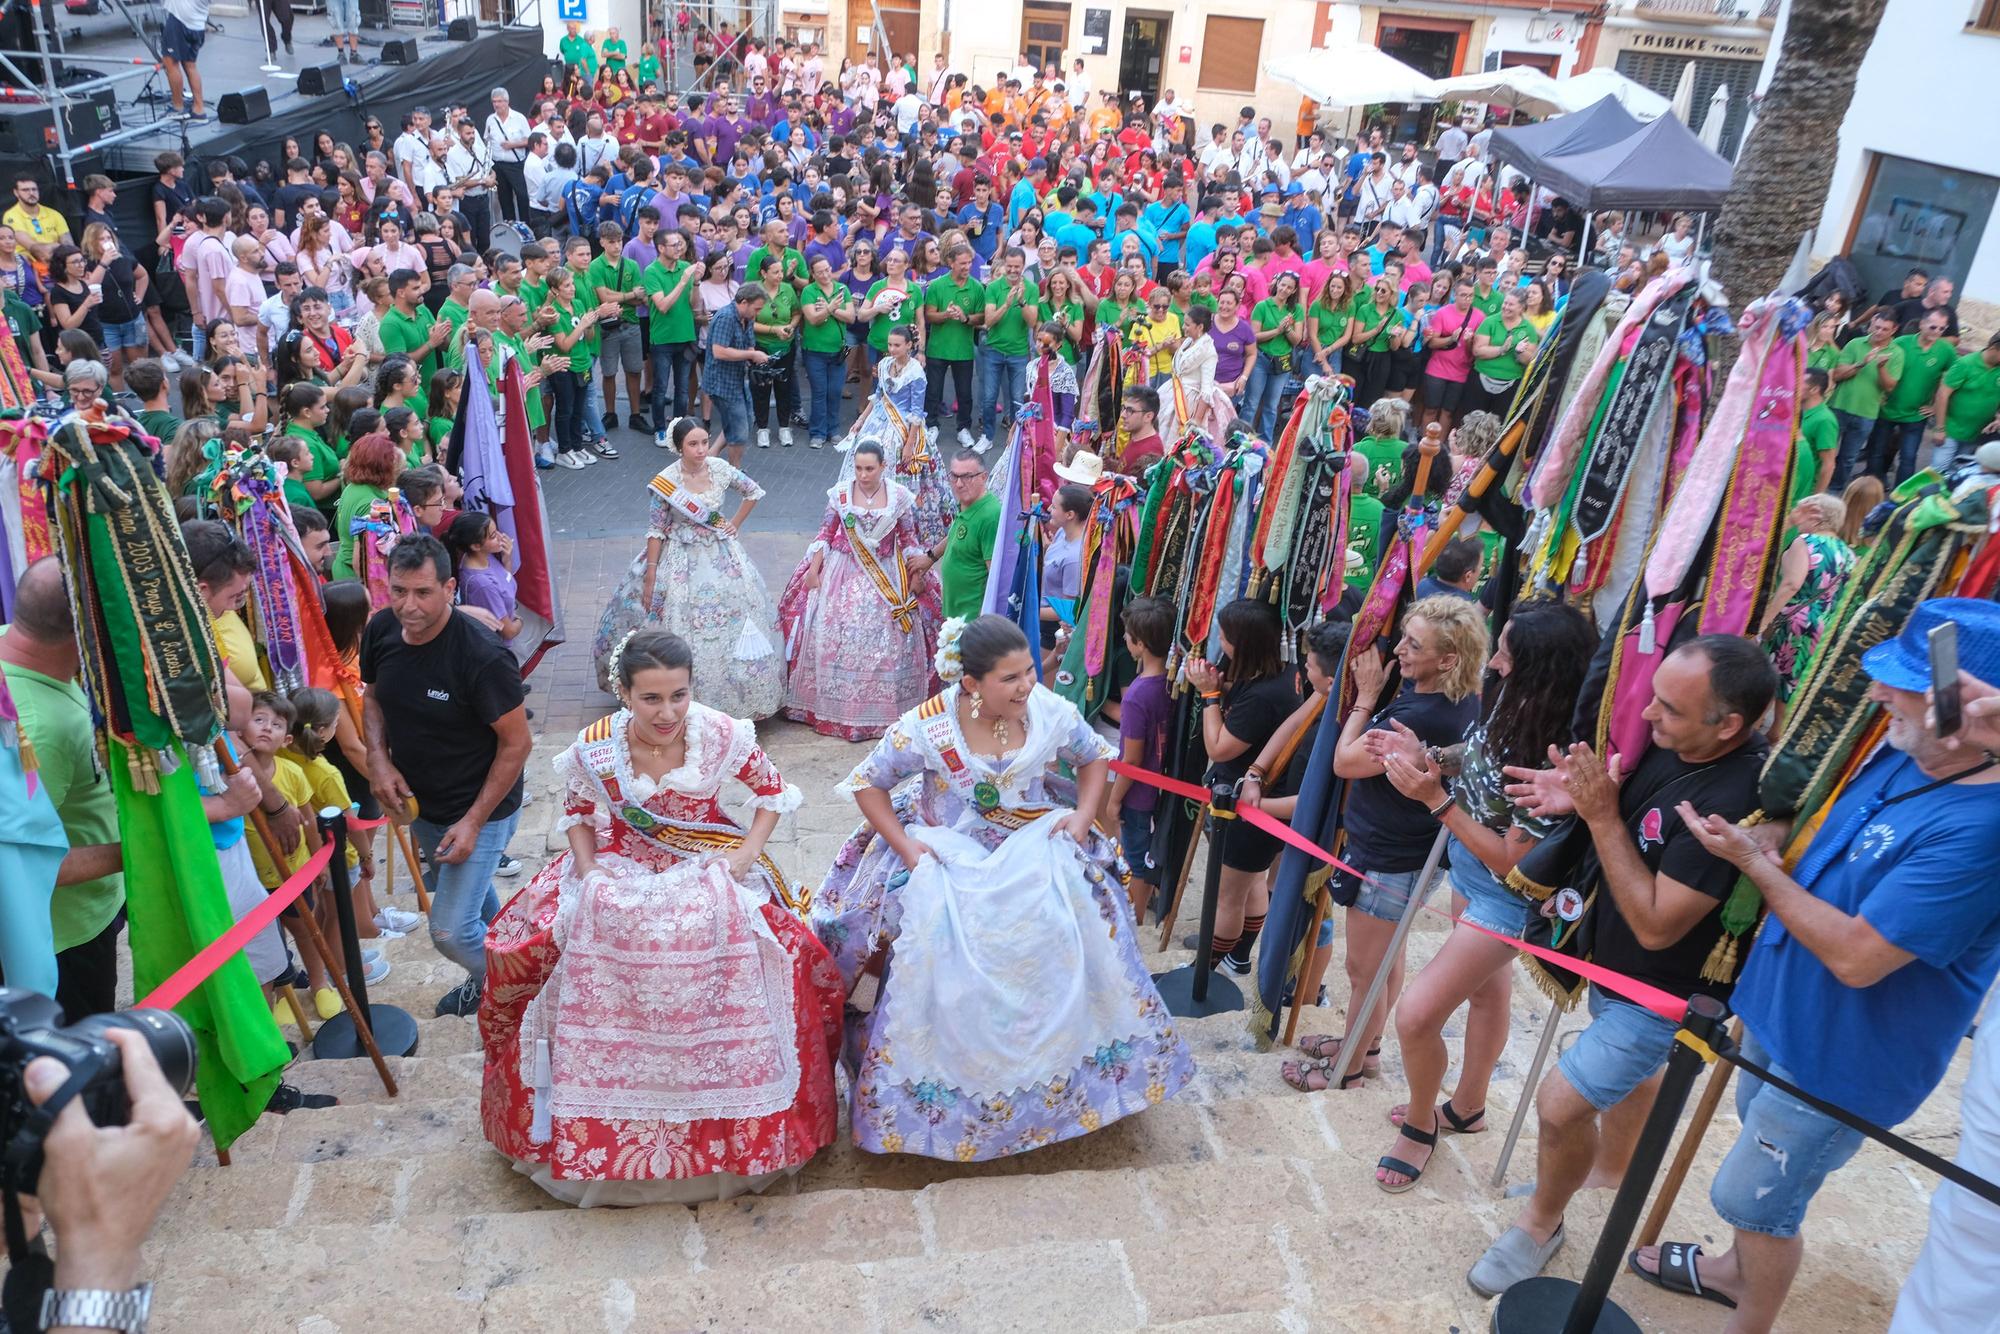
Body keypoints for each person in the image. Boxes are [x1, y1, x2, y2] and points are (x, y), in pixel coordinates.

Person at [1634, 599, 2000, 1331]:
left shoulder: (1982, 830)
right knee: (1754, 1149)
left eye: (1901, 684)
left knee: (1756, 1196)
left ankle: (1752, 1316)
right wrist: (1771, 834)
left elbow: (1859, 959)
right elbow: (1820, 828)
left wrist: (1752, 867)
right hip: (1781, 1009)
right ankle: (1734, 1272)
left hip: (1844, 1054)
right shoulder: (1904, 749)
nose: (1877, 694)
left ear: (1963, 713)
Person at [810, 615, 1196, 1160]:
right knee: (931, 942)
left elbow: (1092, 759)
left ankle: (1071, 1084)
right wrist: (905, 847)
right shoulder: (927, 726)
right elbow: (867, 784)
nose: (1026, 686)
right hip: (946, 849)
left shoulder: (1051, 712)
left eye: (1029, 671)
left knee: (1079, 920)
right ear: (970, 683)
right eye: (1009, 678)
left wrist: (1083, 818)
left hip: (1033, 841)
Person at [480, 629, 842, 1206]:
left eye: (678, 694)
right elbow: (576, 811)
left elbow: (773, 793)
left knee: (767, 951)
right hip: (618, 867)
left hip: (708, 868)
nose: (668, 711)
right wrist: (590, 870)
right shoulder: (596, 747)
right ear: (623, 693)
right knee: (573, 946)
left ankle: (729, 1128)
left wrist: (744, 857)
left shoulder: (721, 733)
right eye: (651, 699)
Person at [1468, 635, 1778, 1298]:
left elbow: (1657, 924)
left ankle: (1540, 1225)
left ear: (1728, 725)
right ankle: (1606, 1172)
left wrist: (1603, 817)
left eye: (1669, 708)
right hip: (1613, 973)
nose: (1647, 717)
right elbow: (1627, 808)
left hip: (1659, 995)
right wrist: (1576, 796)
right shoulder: (1675, 745)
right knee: (1632, 1086)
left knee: (1559, 1106)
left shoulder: (1731, 800)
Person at [1352, 604, 1598, 1188]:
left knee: (1415, 1017)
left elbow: (1512, 859)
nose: (1496, 659)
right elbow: (1483, 754)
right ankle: (1468, 1107)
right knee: (1488, 997)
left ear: (1542, 671)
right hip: (1467, 866)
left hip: (1504, 894)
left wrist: (1434, 798)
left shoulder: (1560, 752)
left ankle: (1420, 1124)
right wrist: (1432, 757)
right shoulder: (1517, 703)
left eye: (1508, 651)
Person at [1283, 596, 1488, 1093]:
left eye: (1414, 644)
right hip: (1407, 848)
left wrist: (1366, 699)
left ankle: (1347, 1070)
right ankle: (1364, 1046)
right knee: (1385, 959)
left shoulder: (1423, 712)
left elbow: (1346, 761)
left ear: (1448, 660)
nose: (1399, 650)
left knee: (1362, 970)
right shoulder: (1457, 699)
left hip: (1388, 853)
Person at [361, 535, 530, 1018]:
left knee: (450, 930)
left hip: (484, 807)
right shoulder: (381, 630)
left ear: (451, 587)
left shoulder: (483, 656)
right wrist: (378, 758)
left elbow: (517, 744)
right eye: (397, 591)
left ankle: (515, 990)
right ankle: (511, 963)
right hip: (421, 805)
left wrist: (475, 822)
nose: (407, 606)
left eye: (422, 593)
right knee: (476, 906)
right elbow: (371, 697)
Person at [590, 417, 782, 717]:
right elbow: (655, 529)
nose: (702, 449)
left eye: (705, 442)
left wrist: (734, 524)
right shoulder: (666, 481)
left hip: (720, 552)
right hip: (677, 554)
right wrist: (651, 571)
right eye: (693, 444)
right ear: (679, 447)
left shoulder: (719, 469)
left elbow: (753, 492)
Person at [0, 560, 125, 1018]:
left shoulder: (12, 647)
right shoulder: (37, 729)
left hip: (80, 918)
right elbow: (22, 870)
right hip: (63, 940)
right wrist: (137, 850)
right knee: (74, 1070)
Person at [775, 440, 941, 740]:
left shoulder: (900, 497)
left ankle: (884, 709)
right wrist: (813, 571)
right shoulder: (840, 495)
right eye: (858, 468)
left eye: (869, 469)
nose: (863, 475)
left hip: (887, 574)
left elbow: (908, 539)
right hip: (843, 571)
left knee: (887, 643)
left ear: (883, 467)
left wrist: (917, 575)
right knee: (835, 634)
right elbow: (824, 535)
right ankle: (830, 707)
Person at [1182, 599, 1302, 974]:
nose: (1220, 640)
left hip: (1245, 806)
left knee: (1226, 897)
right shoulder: (1283, 672)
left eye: (1224, 635)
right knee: (1251, 885)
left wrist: (1210, 695)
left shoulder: (1263, 698)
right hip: (1258, 805)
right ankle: (1239, 955)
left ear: (1244, 643)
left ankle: (1204, 972)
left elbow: (1218, 746)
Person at [1757, 493, 1855, 706]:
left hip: (1793, 622)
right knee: (1793, 680)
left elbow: (1791, 584)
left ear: (1816, 516)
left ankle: (1759, 726)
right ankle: (1777, 729)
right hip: (1825, 624)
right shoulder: (1848, 553)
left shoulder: (1806, 542)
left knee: (1767, 677)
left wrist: (1764, 620)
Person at [929, 448, 997, 619]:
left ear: (984, 477)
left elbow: (995, 576)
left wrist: (986, 623)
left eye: (967, 477)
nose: (959, 484)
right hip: (955, 615)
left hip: (973, 622)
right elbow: (956, 534)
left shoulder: (990, 516)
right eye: (955, 476)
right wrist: (930, 557)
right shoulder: (967, 503)